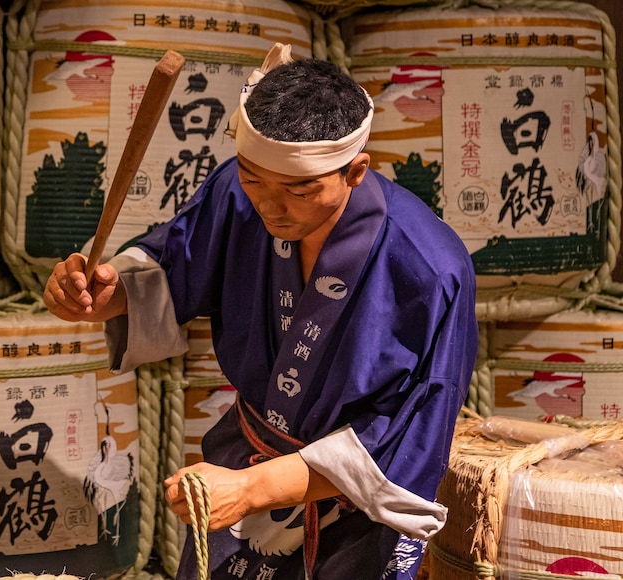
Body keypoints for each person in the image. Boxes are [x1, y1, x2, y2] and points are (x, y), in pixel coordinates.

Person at [44, 42, 478, 580]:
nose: (270, 206)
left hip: (355, 508)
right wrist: (99, 296)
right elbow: (174, 269)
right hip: (247, 460)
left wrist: (253, 489)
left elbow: (407, 431)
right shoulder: (237, 192)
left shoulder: (430, 269)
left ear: (356, 171)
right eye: (253, 178)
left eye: (300, 189)